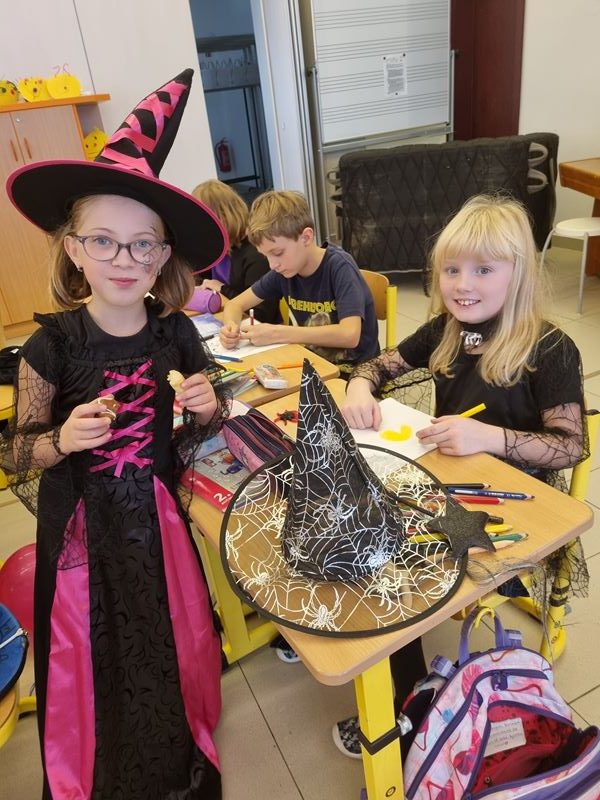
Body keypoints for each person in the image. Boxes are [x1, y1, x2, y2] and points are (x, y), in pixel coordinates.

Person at [4, 70, 229, 798]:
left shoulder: (175, 333)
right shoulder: (50, 348)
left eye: (142, 245)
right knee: (88, 654)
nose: (123, 261)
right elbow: (15, 453)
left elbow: (210, 420)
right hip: (81, 530)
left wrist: (206, 405)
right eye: (103, 241)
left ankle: (173, 757)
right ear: (73, 249)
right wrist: (63, 440)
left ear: (163, 256)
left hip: (155, 524)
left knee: (166, 637)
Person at [334, 193, 588, 759]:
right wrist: (358, 385)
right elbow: (377, 364)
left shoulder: (549, 348)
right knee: (364, 528)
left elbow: (571, 446)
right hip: (449, 482)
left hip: (515, 505)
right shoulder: (450, 330)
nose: (462, 284)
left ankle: (408, 711)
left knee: (389, 564)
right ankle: (408, 687)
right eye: (451, 269)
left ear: (518, 273)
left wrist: (488, 437)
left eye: (483, 270)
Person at [218, 189, 379, 372]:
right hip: (317, 366)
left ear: (306, 237)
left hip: (358, 372)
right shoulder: (283, 272)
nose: (272, 265)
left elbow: (350, 335)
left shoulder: (340, 266)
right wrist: (230, 328)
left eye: (278, 253)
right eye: (265, 256)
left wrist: (278, 333)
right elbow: (234, 305)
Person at [191, 179, 281, 323]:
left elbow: (260, 314)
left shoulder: (257, 254)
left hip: (259, 328)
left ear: (222, 217)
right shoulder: (219, 248)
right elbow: (200, 280)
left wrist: (222, 289)